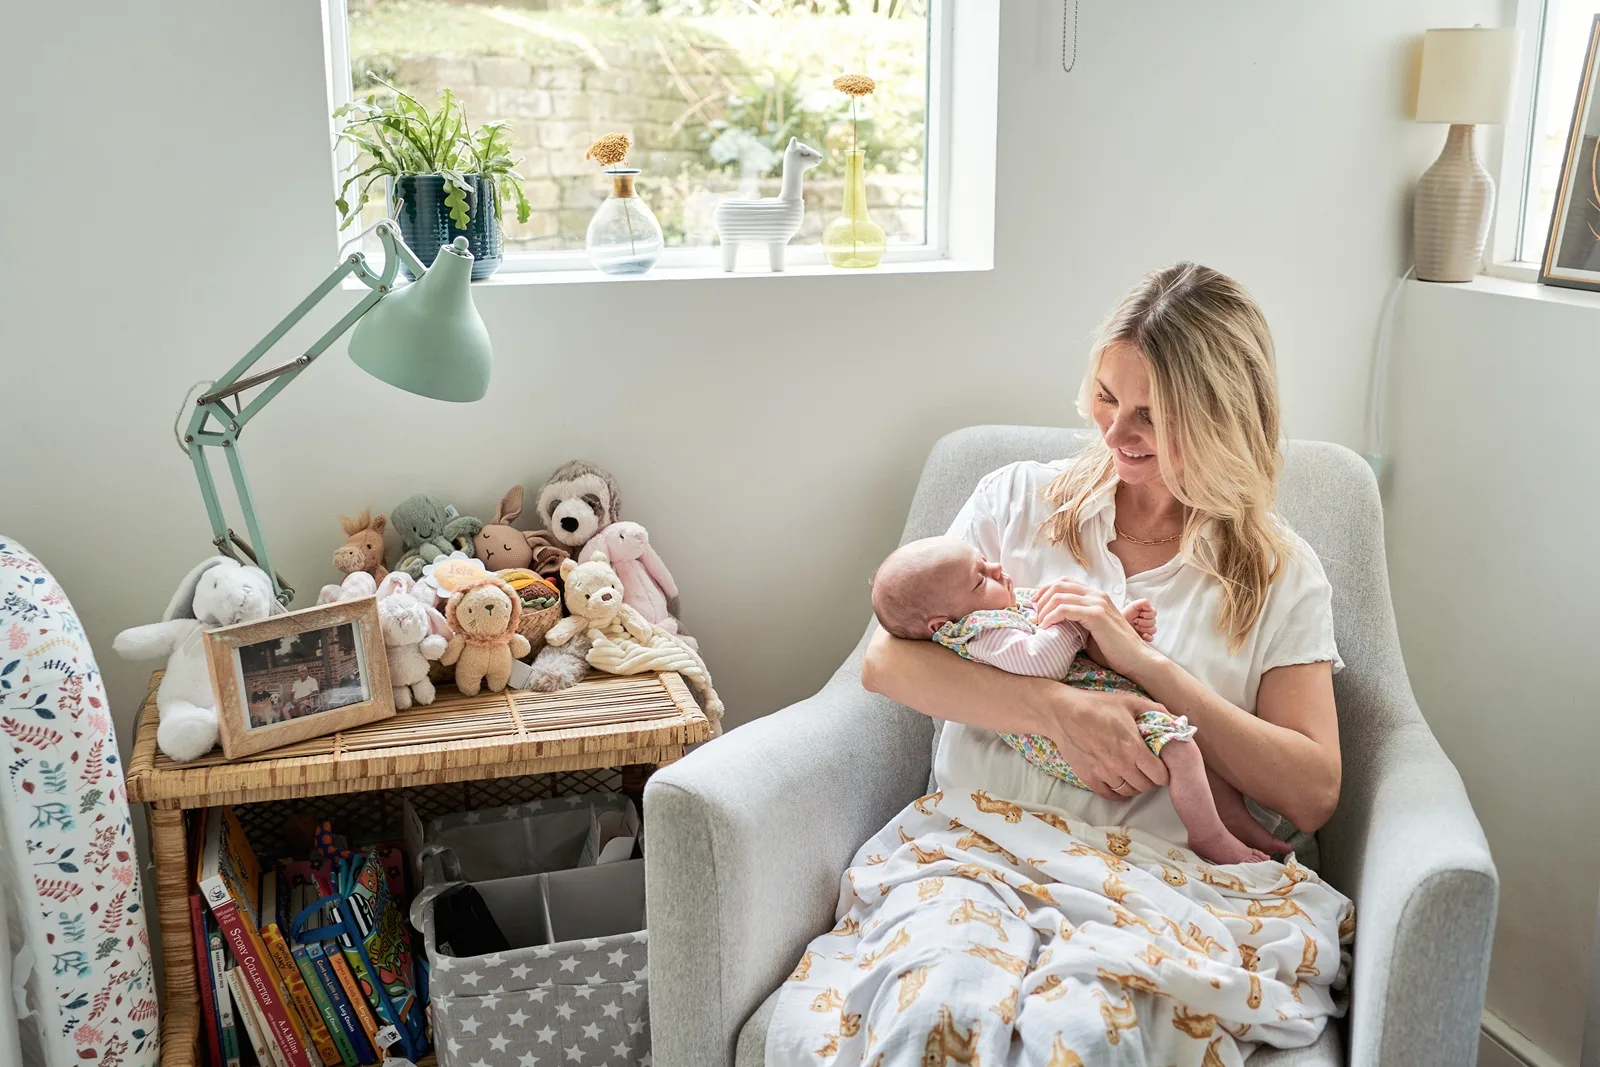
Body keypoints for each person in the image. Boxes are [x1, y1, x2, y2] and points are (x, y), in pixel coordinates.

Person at [767, 263, 1349, 1066]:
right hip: (976, 854)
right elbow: (886, 661)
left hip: (1157, 883)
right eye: (1107, 397)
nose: (1116, 432)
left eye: (1153, 413)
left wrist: (1145, 663)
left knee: (1081, 1041)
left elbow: (1312, 791)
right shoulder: (1016, 502)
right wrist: (1056, 712)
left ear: (1223, 415)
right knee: (929, 1021)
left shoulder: (1278, 572)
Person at [870, 535, 1287, 864]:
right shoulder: (978, 631)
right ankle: (1209, 837)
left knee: (1193, 748)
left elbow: (1080, 649)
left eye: (984, 560)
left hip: (1107, 702)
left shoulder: (1001, 607)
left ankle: (1235, 823)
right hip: (1064, 743)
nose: (997, 568)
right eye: (981, 578)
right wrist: (1075, 622)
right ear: (942, 622)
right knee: (1180, 750)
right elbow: (1043, 663)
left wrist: (1116, 627)